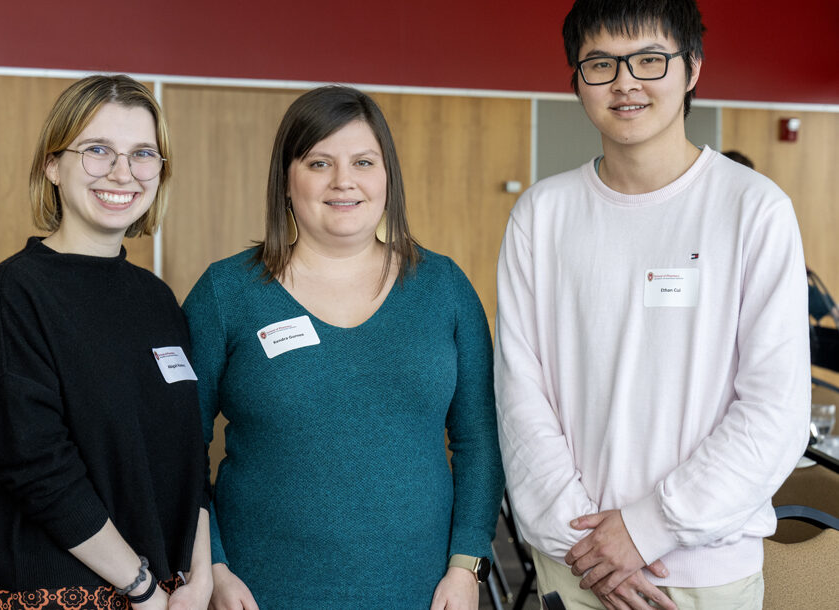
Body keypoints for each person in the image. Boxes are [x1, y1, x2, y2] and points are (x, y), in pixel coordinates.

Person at [494, 1, 810, 608]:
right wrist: (583, 540)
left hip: (705, 569)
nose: (624, 83)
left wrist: (645, 528)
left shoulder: (753, 208)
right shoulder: (542, 214)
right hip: (575, 561)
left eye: (648, 59)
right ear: (576, 80)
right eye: (600, 65)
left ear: (691, 69)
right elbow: (519, 391)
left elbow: (776, 408)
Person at [183, 85, 505, 610]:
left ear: (387, 177)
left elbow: (479, 440)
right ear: (286, 180)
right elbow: (179, 448)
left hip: (422, 593)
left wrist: (467, 566)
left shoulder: (443, 288)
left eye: (363, 161)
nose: (344, 181)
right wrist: (213, 565)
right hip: (258, 592)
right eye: (318, 163)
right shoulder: (227, 294)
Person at [0, 75, 212, 610]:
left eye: (143, 154)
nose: (123, 173)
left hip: (170, 594)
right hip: (59, 595)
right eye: (98, 150)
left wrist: (201, 576)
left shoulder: (157, 299)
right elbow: (35, 465)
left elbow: (191, 454)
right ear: (52, 165)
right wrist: (140, 587)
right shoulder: (14, 293)